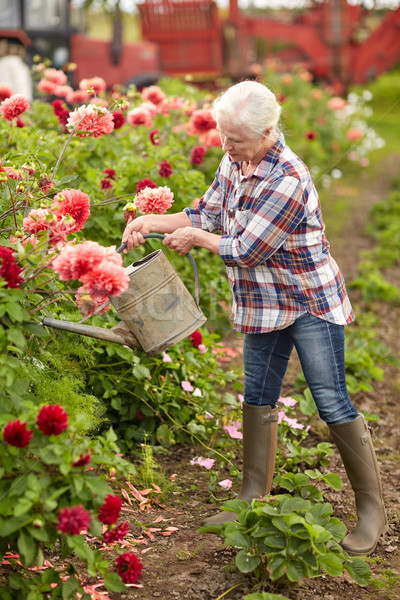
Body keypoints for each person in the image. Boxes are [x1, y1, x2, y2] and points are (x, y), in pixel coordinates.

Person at [122, 80, 387, 556]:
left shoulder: (288, 177)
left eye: (236, 139)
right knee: (258, 394)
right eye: (223, 136)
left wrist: (198, 241)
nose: (226, 146)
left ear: (267, 131)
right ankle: (251, 496)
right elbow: (205, 213)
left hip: (307, 301)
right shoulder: (235, 159)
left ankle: (371, 510)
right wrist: (150, 221)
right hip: (264, 303)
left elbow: (246, 249)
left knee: (329, 399)